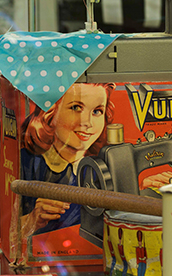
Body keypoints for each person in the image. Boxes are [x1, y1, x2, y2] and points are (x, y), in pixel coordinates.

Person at [18, 83, 113, 237]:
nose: (87, 122)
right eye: (76, 108)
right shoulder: (25, 162)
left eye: (97, 111)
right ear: (50, 112)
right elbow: (9, 233)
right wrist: (31, 220)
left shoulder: (104, 166)